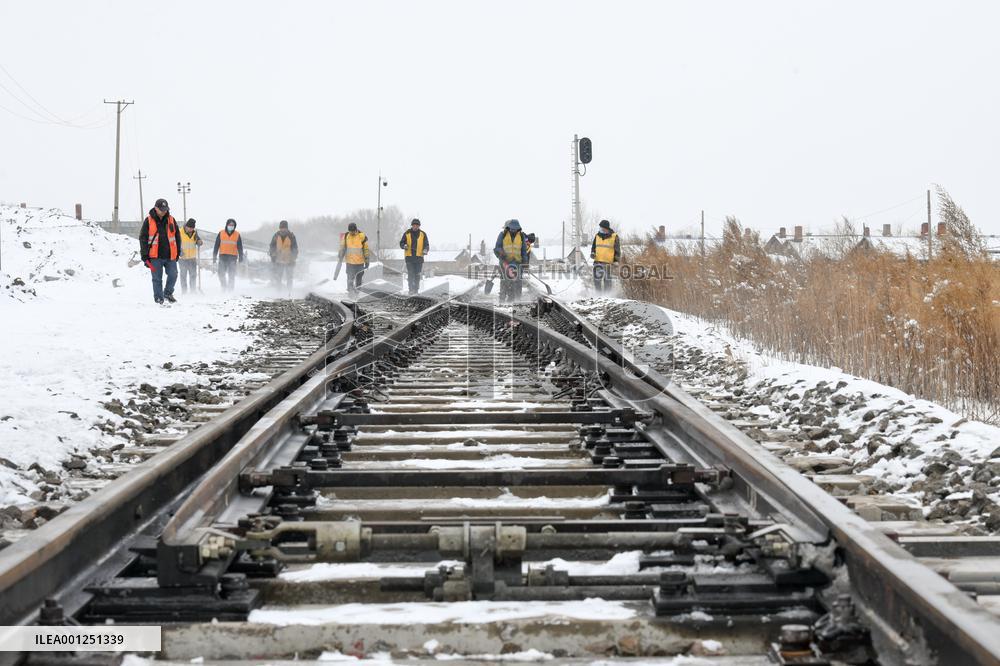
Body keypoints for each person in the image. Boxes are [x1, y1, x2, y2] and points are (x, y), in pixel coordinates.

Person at [138, 198, 181, 305]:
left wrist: (178, 252)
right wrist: (144, 256)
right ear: (156, 208)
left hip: (170, 255)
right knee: (157, 278)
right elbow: (143, 238)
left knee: (173, 274)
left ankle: (167, 293)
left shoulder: (171, 219)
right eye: (162, 209)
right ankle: (158, 298)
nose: (164, 211)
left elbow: (177, 236)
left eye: (165, 209)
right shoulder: (148, 221)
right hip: (154, 257)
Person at [493, 219, 528, 303]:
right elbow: (497, 247)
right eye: (511, 229)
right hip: (505, 261)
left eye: (515, 229)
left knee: (518, 282)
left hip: (517, 263)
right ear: (508, 228)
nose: (513, 230)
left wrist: (525, 261)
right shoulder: (502, 235)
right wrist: (501, 253)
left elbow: (523, 250)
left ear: (518, 229)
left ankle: (516, 300)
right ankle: (502, 300)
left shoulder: (521, 236)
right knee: (505, 281)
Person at [399, 218, 429, 295]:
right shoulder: (407, 233)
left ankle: (416, 290)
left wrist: (425, 250)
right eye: (414, 225)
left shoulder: (423, 234)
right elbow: (401, 243)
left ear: (419, 226)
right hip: (409, 258)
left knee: (417, 274)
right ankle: (411, 290)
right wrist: (404, 246)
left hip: (419, 258)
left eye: (417, 225)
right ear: (412, 225)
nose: (415, 226)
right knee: (411, 273)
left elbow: (426, 245)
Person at [213, 218, 244, 291]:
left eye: (232, 225)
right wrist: (214, 257)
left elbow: (240, 247)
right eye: (229, 225)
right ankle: (224, 287)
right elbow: (216, 246)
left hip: (233, 257)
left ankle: (230, 290)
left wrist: (241, 258)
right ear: (226, 225)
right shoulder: (221, 233)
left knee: (231, 274)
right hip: (222, 256)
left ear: (234, 226)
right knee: (221, 273)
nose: (231, 226)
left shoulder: (237, 234)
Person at [339, 222, 370, 296]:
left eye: (353, 231)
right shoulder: (346, 236)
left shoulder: (361, 236)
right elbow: (342, 247)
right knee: (350, 279)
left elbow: (366, 249)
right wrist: (340, 255)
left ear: (356, 230)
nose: (351, 233)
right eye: (350, 231)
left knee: (359, 279)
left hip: (360, 262)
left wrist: (367, 260)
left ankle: (357, 293)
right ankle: (350, 293)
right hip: (349, 262)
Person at [590, 219, 621, 292]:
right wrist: (592, 253)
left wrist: (616, 260)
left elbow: (617, 250)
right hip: (597, 261)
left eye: (602, 227)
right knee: (597, 280)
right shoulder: (597, 236)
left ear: (606, 228)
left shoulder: (614, 236)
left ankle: (607, 296)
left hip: (608, 263)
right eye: (600, 227)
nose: (601, 229)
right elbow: (593, 247)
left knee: (607, 281)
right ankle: (598, 296)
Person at [269, 220, 299, 291]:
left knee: (289, 278)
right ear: (279, 228)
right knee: (278, 278)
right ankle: (278, 293)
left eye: (284, 228)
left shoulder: (291, 236)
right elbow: (272, 246)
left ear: (287, 228)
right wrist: (273, 256)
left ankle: (289, 292)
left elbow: (295, 248)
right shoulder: (276, 236)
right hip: (278, 261)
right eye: (281, 228)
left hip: (289, 261)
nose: (282, 229)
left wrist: (293, 258)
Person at [177, 218, 203, 294]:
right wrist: (179, 251)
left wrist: (199, 242)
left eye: (192, 228)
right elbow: (175, 244)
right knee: (183, 275)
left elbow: (198, 240)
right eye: (190, 228)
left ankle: (193, 291)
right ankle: (184, 292)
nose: (191, 230)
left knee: (193, 275)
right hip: (183, 258)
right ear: (186, 226)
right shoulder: (179, 232)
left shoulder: (195, 232)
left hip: (192, 258)